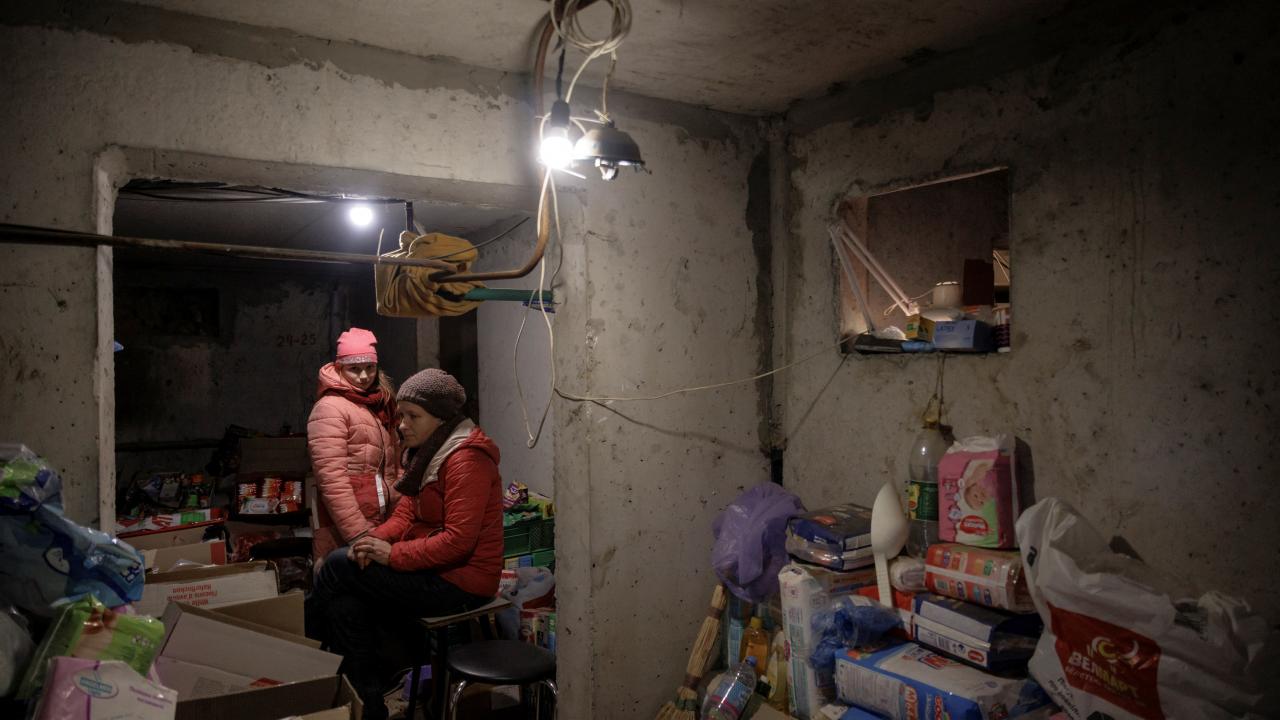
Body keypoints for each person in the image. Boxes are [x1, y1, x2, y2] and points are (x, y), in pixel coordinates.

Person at [311, 368, 504, 719]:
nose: (402, 425)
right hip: (433, 568)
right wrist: (372, 541)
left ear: (440, 418)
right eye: (402, 415)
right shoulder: (428, 453)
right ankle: (369, 707)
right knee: (344, 603)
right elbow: (405, 515)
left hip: (461, 581)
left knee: (337, 566)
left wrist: (392, 555)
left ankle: (304, 656)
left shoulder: (466, 459)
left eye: (413, 416)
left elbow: (458, 542)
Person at [307, 328, 402, 565]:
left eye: (370, 367)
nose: (364, 376)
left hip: (383, 518)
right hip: (348, 525)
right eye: (354, 369)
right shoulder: (330, 408)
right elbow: (332, 480)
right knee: (344, 578)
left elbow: (395, 463)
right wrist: (358, 534)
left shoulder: (379, 403)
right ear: (340, 367)